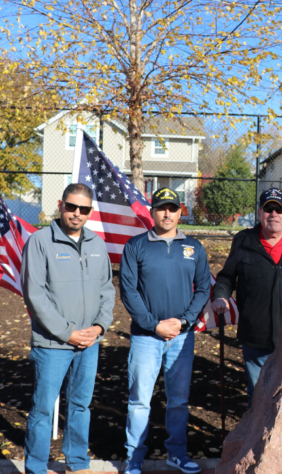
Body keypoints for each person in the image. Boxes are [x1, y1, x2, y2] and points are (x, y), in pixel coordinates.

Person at [21, 183, 115, 474]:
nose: (77, 213)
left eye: (83, 209)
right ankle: (36, 467)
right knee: (43, 409)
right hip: (53, 345)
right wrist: (68, 333)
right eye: (71, 207)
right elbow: (35, 296)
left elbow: (107, 290)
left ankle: (77, 462)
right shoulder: (39, 242)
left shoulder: (97, 244)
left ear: (90, 212)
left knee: (80, 406)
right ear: (60, 205)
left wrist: (99, 327)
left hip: (89, 343)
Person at [119, 187, 211, 474]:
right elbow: (128, 290)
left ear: (180, 211)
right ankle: (134, 456)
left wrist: (183, 322)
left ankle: (177, 453)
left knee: (179, 401)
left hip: (181, 338)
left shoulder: (194, 247)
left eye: (172, 208)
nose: (167, 213)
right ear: (152, 211)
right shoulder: (136, 246)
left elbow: (204, 288)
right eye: (161, 208)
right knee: (139, 401)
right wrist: (153, 324)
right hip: (146, 337)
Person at [212, 188, 282, 406]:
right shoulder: (243, 241)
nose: (273, 214)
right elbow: (226, 277)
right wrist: (221, 296)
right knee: (258, 397)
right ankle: (257, 440)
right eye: (268, 209)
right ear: (259, 213)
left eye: (279, 209)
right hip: (255, 336)